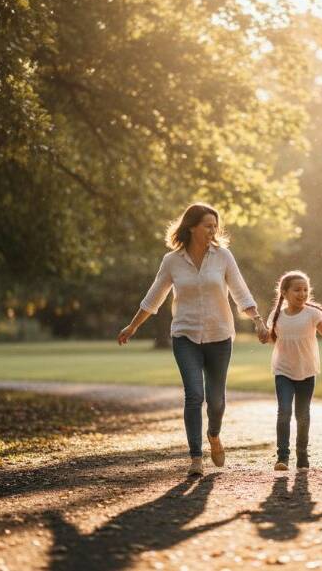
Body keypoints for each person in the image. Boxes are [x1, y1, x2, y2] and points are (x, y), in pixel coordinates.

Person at [117, 203, 269, 477]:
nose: (213, 231)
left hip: (219, 335)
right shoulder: (172, 261)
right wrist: (133, 326)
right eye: (208, 226)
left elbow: (240, 292)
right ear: (192, 227)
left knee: (216, 401)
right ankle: (196, 458)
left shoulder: (223, 256)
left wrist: (258, 320)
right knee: (194, 395)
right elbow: (154, 297)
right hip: (185, 335)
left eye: (215, 226)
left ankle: (214, 435)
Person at [266, 271, 322, 471]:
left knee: (303, 415)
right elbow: (271, 338)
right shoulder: (276, 316)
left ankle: (302, 456)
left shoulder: (313, 314)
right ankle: (282, 457)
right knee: (284, 412)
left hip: (306, 371)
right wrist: (262, 334)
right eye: (297, 290)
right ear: (284, 292)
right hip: (283, 370)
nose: (302, 293)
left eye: (305, 289)